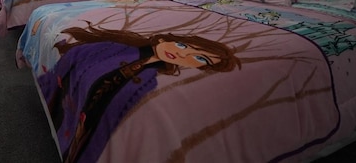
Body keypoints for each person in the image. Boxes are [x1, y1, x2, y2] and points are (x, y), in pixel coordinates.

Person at [41, 24, 241, 163]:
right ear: (165, 38)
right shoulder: (118, 48)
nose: (183, 54)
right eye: (182, 45)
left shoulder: (149, 81)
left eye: (199, 59)